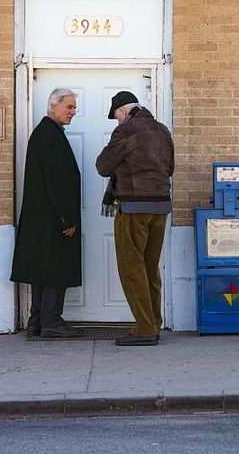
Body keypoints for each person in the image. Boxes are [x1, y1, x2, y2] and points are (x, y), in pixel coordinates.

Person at [95, 91, 175, 347]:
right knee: (150, 267)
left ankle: (143, 329)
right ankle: (152, 323)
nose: (117, 122)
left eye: (116, 117)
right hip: (161, 207)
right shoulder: (162, 130)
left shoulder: (127, 131)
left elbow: (103, 166)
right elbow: (170, 168)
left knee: (131, 267)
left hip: (133, 207)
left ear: (122, 111)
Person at [10, 89, 83, 338]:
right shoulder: (50, 135)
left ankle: (37, 321)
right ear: (53, 106)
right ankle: (51, 320)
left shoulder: (44, 133)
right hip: (53, 218)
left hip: (41, 218)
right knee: (54, 269)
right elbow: (57, 181)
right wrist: (67, 218)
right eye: (69, 107)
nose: (74, 112)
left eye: (74, 107)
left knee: (42, 269)